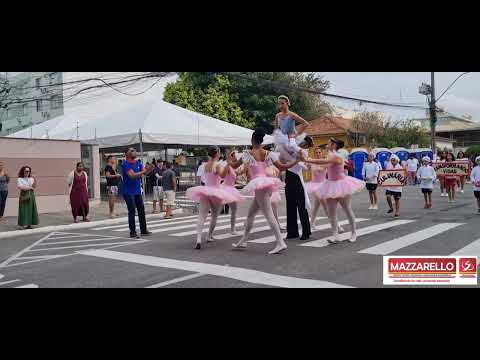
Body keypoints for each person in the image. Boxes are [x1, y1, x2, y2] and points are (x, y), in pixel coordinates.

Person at [228, 128, 299, 254]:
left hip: (260, 185)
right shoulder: (268, 153)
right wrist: (295, 162)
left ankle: (280, 242)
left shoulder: (248, 153)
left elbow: (234, 166)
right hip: (266, 184)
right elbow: (282, 167)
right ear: (261, 141)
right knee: (250, 215)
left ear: (253, 140)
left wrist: (229, 159)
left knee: (269, 215)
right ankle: (243, 241)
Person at [301, 138, 364, 243]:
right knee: (331, 212)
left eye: (329, 143)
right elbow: (322, 164)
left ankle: (353, 233)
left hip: (341, 185)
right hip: (330, 185)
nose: (327, 144)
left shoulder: (336, 156)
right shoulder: (330, 155)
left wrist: (307, 159)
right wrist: (307, 162)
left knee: (347, 210)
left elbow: (322, 161)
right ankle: (335, 235)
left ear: (334, 145)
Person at [186, 146, 243, 249]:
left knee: (202, 216)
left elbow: (203, 179)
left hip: (205, 190)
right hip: (216, 191)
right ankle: (209, 236)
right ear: (217, 154)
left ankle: (199, 239)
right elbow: (223, 176)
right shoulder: (218, 165)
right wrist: (228, 163)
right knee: (214, 215)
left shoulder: (204, 166)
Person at [284, 135, 314, 240]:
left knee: (302, 206)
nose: (301, 144)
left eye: (303, 143)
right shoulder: (292, 148)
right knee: (290, 205)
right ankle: (292, 231)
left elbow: (305, 165)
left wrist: (305, 164)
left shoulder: (303, 151)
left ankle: (306, 231)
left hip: (297, 178)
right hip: (288, 177)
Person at [121, 147, 151, 239]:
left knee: (141, 210)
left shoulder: (138, 163)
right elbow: (132, 175)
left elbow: (145, 173)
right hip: (128, 192)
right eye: (132, 150)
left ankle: (143, 230)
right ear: (126, 154)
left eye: (135, 150)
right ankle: (132, 232)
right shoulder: (125, 164)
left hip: (137, 191)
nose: (135, 152)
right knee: (132, 211)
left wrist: (149, 169)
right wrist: (143, 171)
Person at [272, 95, 310, 159]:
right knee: (278, 153)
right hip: (282, 138)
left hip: (291, 137)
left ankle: (304, 156)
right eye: (279, 104)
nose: (280, 106)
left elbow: (306, 124)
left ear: (287, 103)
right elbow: (276, 129)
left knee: (292, 148)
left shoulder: (292, 115)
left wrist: (296, 134)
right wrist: (276, 137)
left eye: (282, 103)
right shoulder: (277, 115)